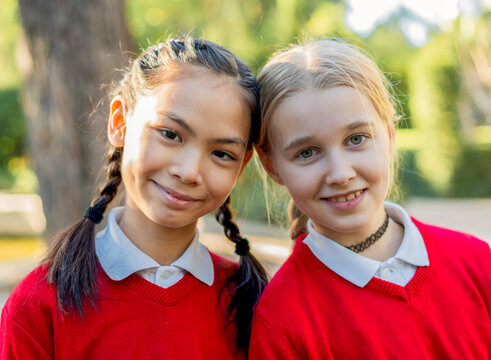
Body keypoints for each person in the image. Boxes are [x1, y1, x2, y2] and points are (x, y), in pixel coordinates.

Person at [0, 37, 267, 359]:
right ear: (120, 122)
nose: (188, 171)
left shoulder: (250, 302)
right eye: (170, 134)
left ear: (241, 166)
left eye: (221, 153)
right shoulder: (40, 303)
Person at [249, 39, 491, 359]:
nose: (340, 173)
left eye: (356, 139)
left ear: (390, 137)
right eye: (307, 152)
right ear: (272, 166)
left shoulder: (475, 260)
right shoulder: (281, 320)